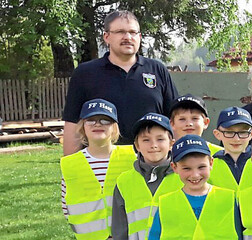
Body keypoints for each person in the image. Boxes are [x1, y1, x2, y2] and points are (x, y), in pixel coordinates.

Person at [62, 10, 178, 154]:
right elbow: (73, 124)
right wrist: (69, 168)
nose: (128, 37)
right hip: (103, 163)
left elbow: (174, 121)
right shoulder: (85, 73)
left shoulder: (157, 70)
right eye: (120, 32)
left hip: (151, 161)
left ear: (140, 37)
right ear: (106, 36)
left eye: (133, 32)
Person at [61, 99, 135, 240]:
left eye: (105, 120)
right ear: (82, 126)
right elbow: (66, 203)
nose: (98, 124)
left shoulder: (130, 157)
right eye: (91, 120)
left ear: (115, 128)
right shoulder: (71, 163)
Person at [208, 106, 252, 192]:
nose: (236, 139)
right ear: (217, 134)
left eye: (243, 133)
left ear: (251, 134)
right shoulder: (210, 164)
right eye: (229, 132)